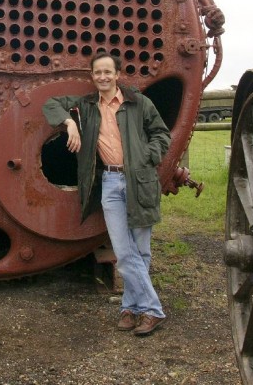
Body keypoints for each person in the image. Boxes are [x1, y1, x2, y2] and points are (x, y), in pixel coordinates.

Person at [42, 51, 171, 336]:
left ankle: (134, 308)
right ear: (93, 76)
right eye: (97, 73)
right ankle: (149, 309)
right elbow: (51, 104)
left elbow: (162, 134)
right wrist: (69, 123)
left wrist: (145, 156)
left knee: (141, 250)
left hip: (140, 180)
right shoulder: (87, 105)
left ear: (117, 75)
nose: (102, 77)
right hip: (111, 182)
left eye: (107, 72)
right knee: (124, 251)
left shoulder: (138, 103)